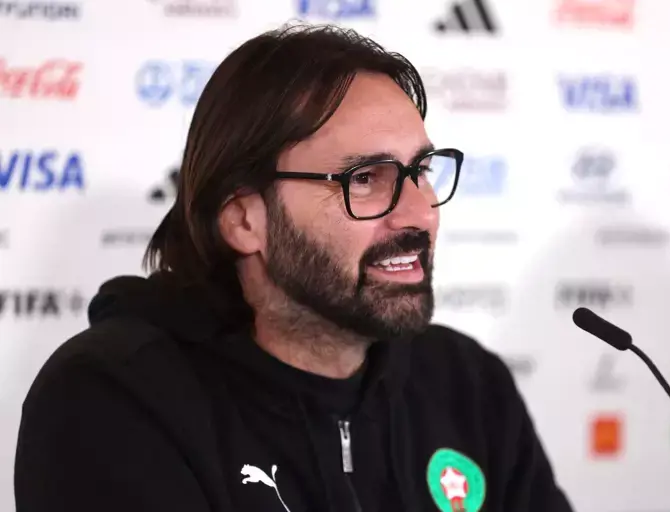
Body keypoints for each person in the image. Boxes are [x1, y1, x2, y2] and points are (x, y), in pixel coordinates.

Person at [14, 23, 575, 512]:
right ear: (243, 220)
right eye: (364, 178)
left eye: (421, 170)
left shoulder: (466, 384)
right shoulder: (113, 401)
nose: (419, 213)